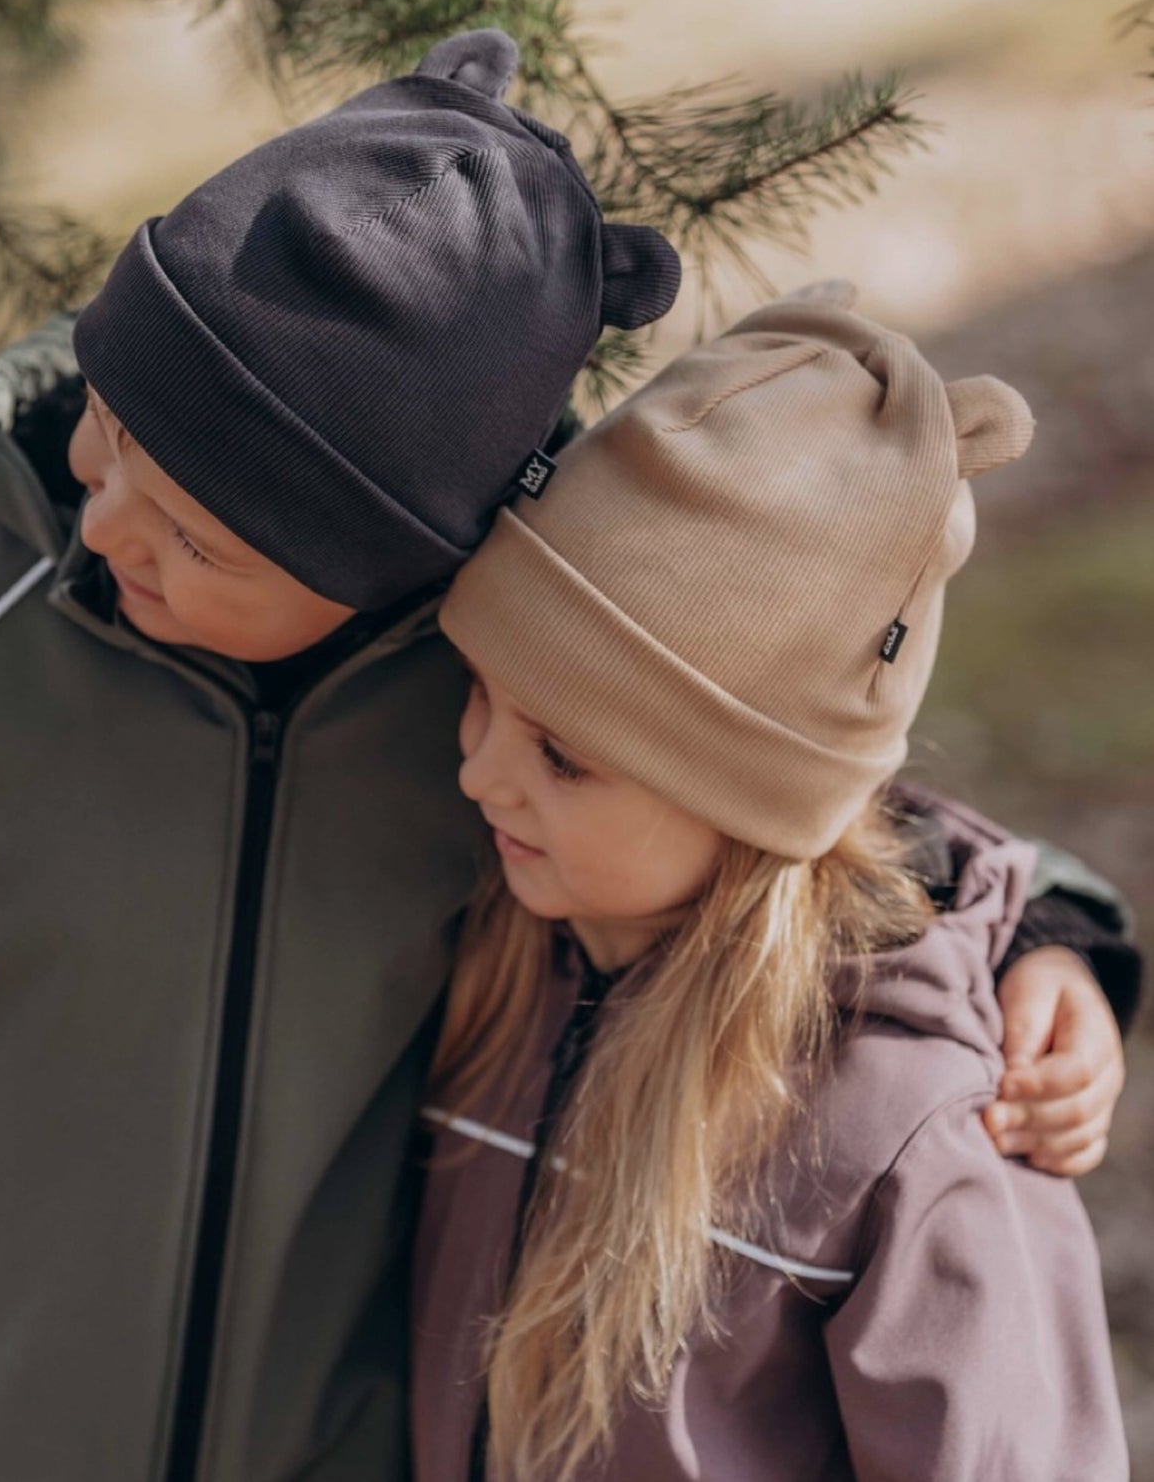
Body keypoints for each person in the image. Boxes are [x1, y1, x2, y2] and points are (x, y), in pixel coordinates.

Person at [0, 27, 1134, 1480]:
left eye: (195, 534)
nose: (100, 524)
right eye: (105, 429)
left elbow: (793, 792)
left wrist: (1048, 933)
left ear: (392, 565)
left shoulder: (485, 686)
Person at [413, 289, 1131, 1481]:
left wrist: (1044, 931)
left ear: (751, 801)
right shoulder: (504, 947)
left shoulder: (909, 1128)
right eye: (479, 690)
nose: (473, 765)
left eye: (560, 754)